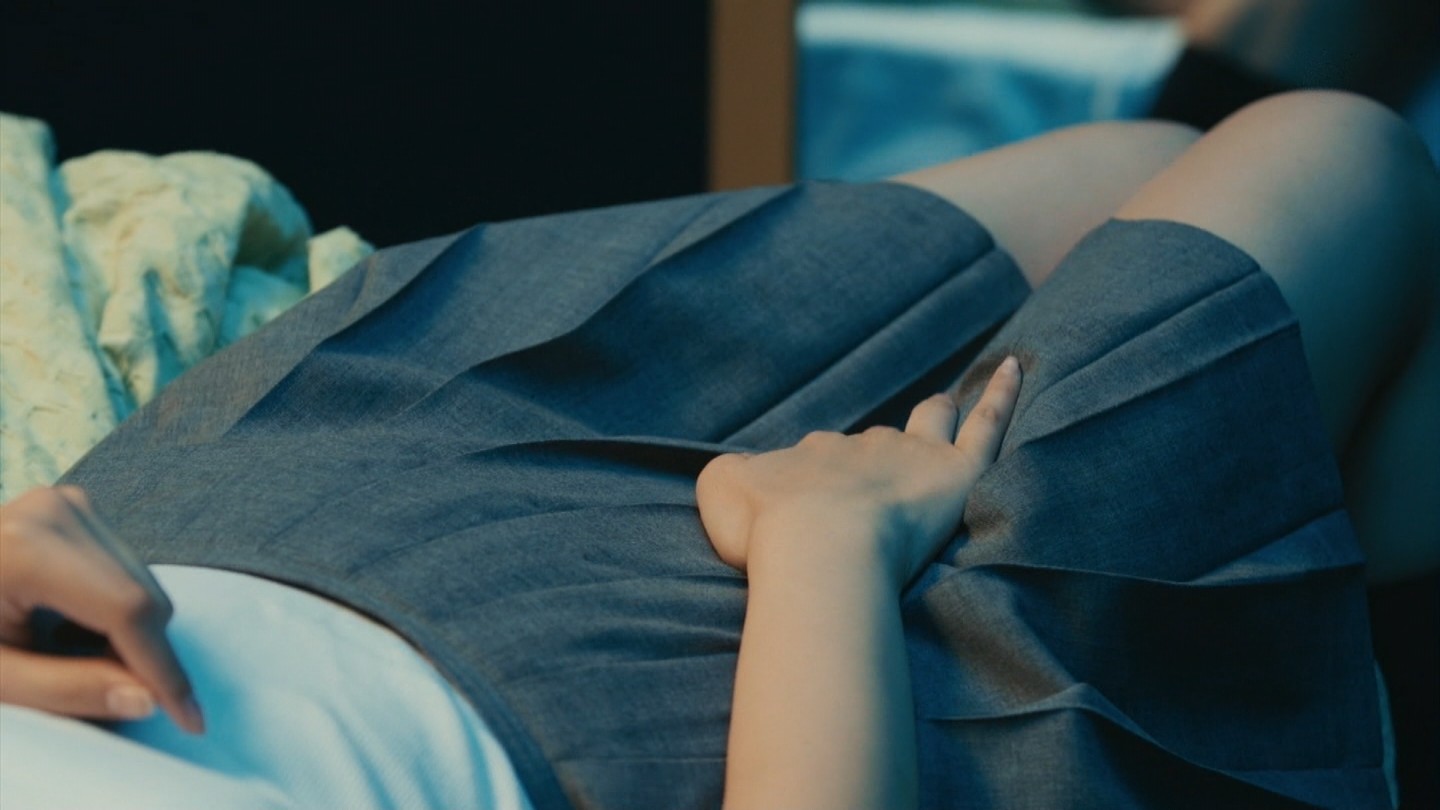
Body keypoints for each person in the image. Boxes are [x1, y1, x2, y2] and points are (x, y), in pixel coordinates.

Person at [0, 89, 1434, 809]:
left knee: (1130, 166)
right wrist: (824, 552)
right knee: (1333, 153)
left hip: (259, 492)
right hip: (669, 728)